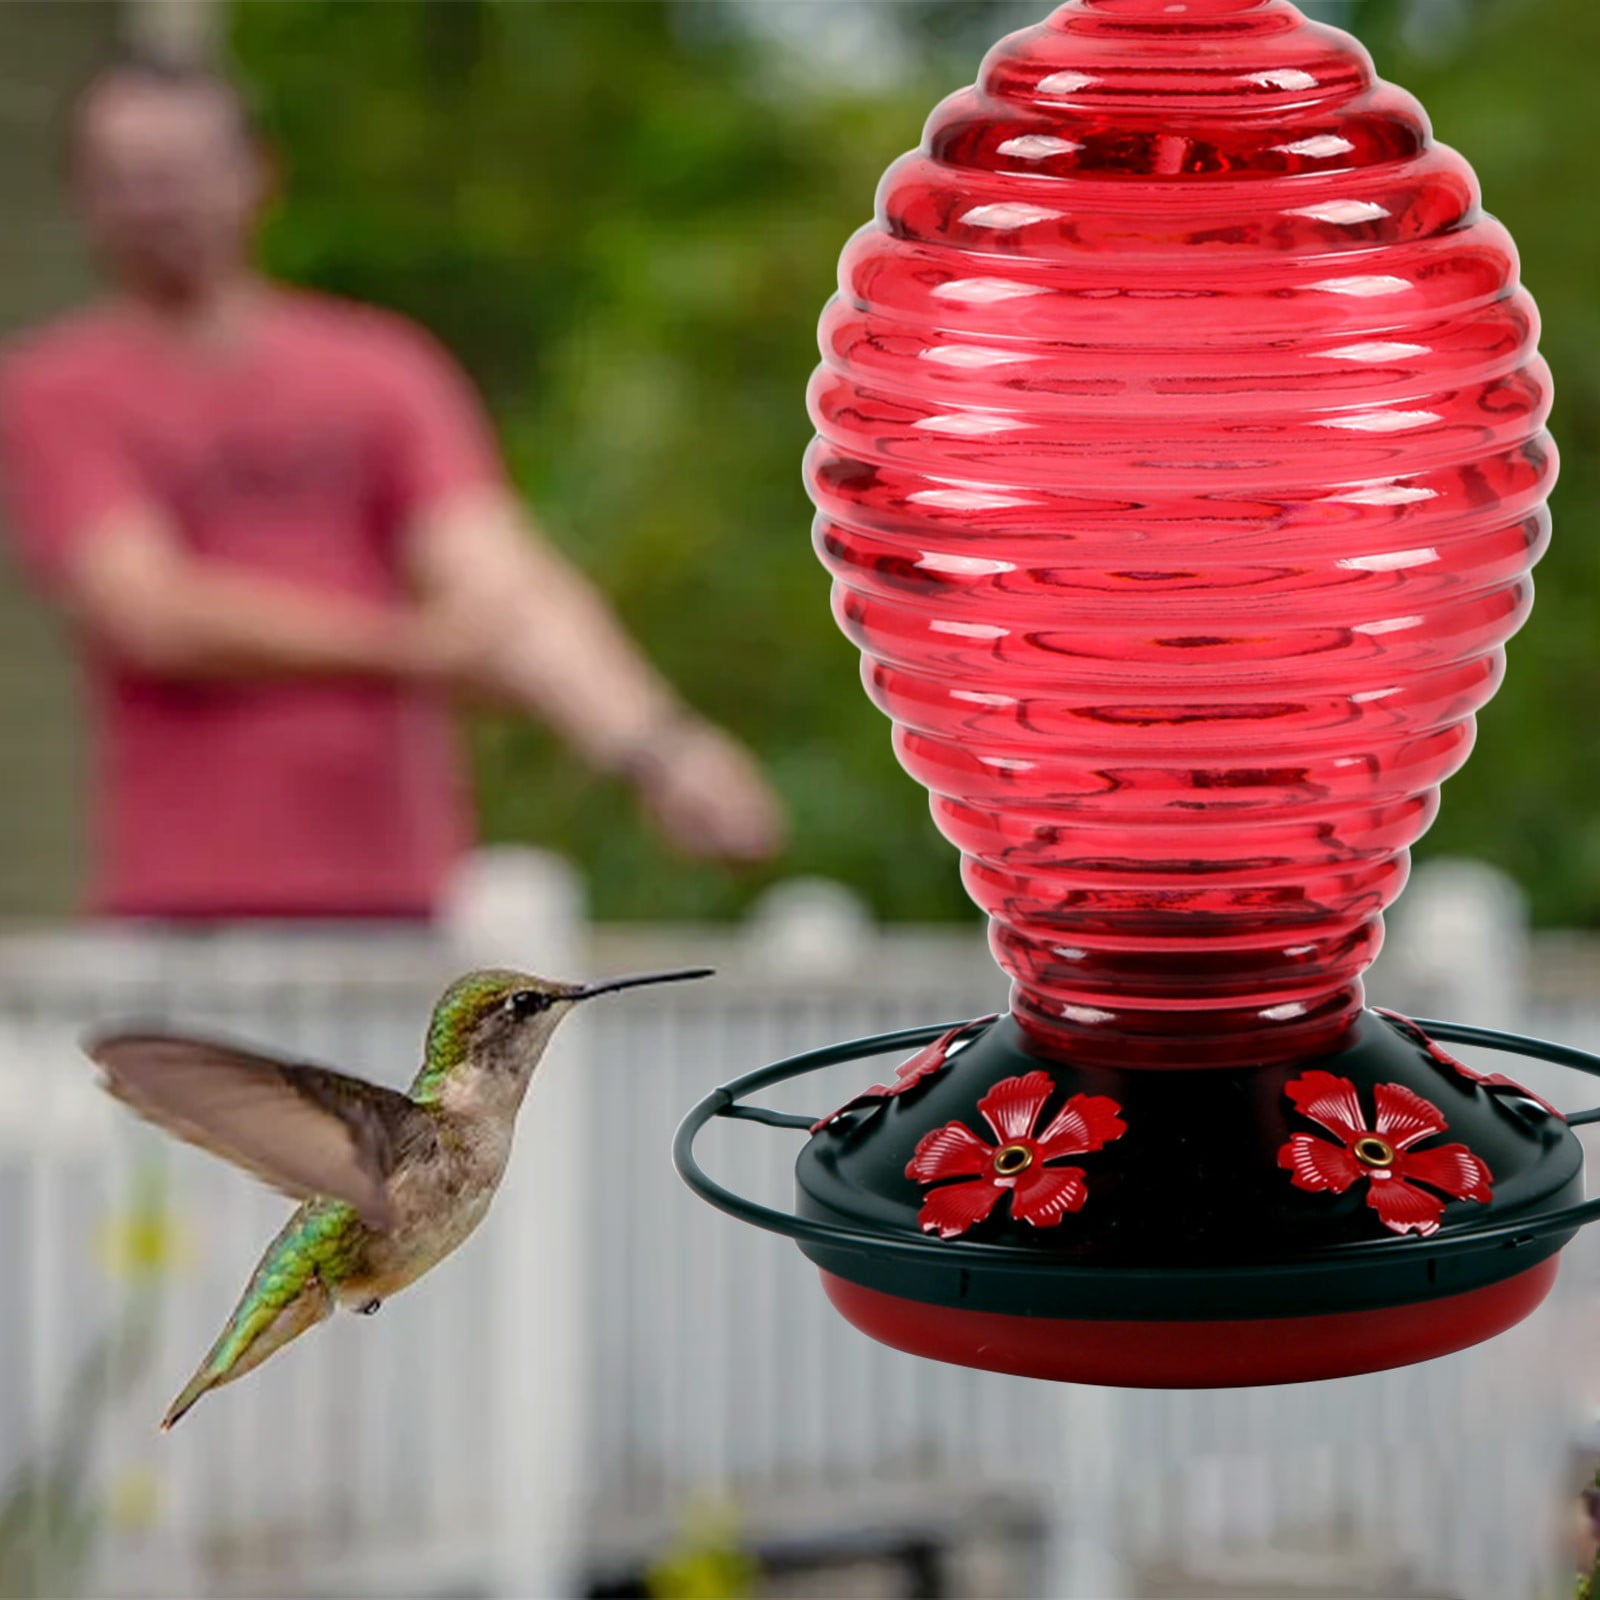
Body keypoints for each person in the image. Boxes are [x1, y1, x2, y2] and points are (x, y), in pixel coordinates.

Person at [0, 54, 786, 921]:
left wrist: (660, 748)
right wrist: (418, 650)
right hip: (188, 913)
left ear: (257, 172)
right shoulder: (52, 389)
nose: (154, 203)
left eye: (177, 173)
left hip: (400, 906)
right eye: (124, 180)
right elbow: (150, 611)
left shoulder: (382, 370)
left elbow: (496, 575)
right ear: (83, 197)